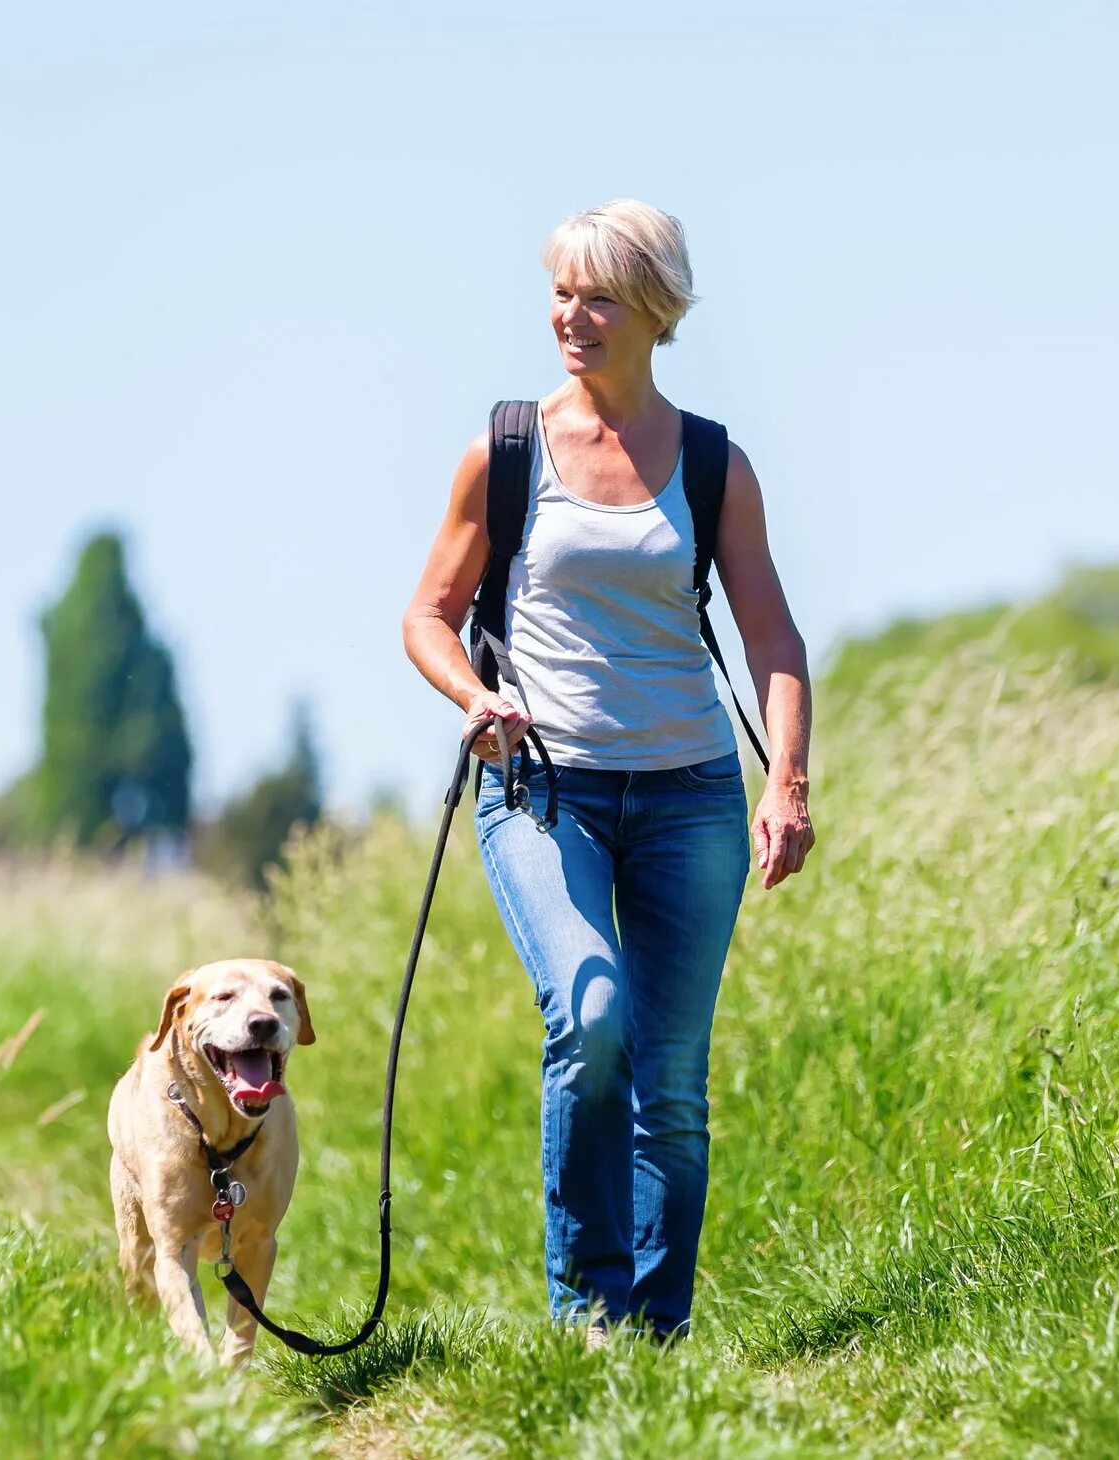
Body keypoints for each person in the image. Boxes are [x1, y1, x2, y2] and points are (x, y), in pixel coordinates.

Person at [400, 198, 816, 1344]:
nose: (569, 314)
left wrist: (786, 778)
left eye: (597, 295)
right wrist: (477, 697)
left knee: (670, 1085)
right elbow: (429, 615)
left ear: (654, 309)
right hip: (546, 791)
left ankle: (654, 1334)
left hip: (690, 795)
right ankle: (588, 1311)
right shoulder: (509, 447)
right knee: (590, 1017)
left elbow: (774, 639)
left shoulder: (715, 462)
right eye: (561, 291)